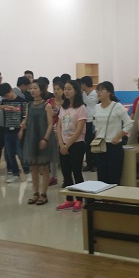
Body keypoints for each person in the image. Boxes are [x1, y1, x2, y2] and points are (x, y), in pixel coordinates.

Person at [21, 80, 55, 205]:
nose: (32, 90)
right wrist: (23, 125)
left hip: (42, 138)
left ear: (41, 90)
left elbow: (50, 124)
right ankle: (35, 193)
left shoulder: (47, 105)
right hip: (31, 138)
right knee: (33, 166)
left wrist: (45, 138)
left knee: (44, 167)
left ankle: (44, 194)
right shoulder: (29, 105)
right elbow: (26, 119)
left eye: (35, 88)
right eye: (31, 88)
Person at [93, 81, 134, 185]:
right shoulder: (97, 107)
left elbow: (129, 123)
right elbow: (96, 124)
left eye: (102, 90)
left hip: (114, 146)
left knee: (114, 177)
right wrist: (96, 136)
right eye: (98, 90)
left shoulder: (117, 106)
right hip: (100, 145)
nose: (99, 92)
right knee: (101, 177)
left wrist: (118, 136)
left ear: (110, 92)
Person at [56, 80, 87, 211]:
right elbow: (59, 126)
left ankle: (79, 199)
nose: (66, 91)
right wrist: (61, 143)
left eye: (69, 89)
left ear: (75, 90)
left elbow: (79, 130)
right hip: (63, 144)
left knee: (76, 172)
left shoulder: (81, 108)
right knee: (66, 172)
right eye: (65, 89)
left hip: (76, 144)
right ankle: (69, 199)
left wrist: (67, 145)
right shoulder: (63, 107)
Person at [0, 83, 26, 183]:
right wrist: (6, 106)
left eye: (7, 95)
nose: (7, 97)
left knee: (20, 153)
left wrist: (21, 130)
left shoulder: (21, 101)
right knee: (10, 154)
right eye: (5, 96)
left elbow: (25, 116)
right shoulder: (4, 101)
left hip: (18, 130)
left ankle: (27, 171)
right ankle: (15, 173)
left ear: (11, 90)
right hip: (7, 130)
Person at [81, 76, 98, 172]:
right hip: (85, 120)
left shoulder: (95, 94)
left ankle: (95, 164)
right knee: (87, 143)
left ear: (84, 84)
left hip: (94, 120)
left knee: (93, 142)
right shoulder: (83, 94)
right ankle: (89, 163)